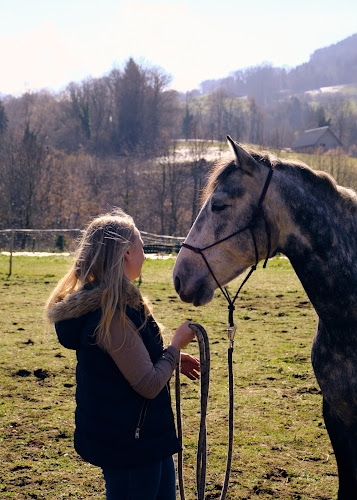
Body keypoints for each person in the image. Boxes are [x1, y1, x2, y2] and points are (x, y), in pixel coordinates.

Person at [46, 210, 200, 500]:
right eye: (141, 246)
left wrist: (170, 359)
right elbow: (148, 384)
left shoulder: (116, 302)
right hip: (130, 444)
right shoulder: (111, 315)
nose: (144, 254)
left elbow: (128, 359)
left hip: (141, 437)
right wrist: (176, 345)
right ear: (127, 252)